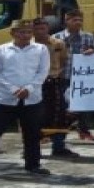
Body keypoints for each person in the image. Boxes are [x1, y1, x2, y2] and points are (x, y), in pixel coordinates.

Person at [0, 20, 51, 180]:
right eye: (21, 32)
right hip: (4, 99)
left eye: (28, 32)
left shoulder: (40, 49)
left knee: (32, 134)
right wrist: (13, 89)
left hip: (31, 99)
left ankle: (33, 165)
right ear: (13, 33)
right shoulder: (0, 50)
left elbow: (43, 72)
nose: (25, 35)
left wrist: (28, 88)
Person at [51, 10, 94, 141]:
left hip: (83, 77)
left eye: (80, 20)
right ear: (66, 21)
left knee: (84, 105)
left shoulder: (88, 37)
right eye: (74, 20)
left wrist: (91, 52)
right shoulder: (56, 38)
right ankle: (60, 137)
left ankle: (84, 131)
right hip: (63, 76)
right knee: (63, 107)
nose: (78, 23)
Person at [32, 19, 75, 158]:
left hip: (55, 82)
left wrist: (56, 74)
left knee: (59, 113)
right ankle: (32, 147)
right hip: (35, 84)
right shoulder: (29, 45)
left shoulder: (58, 43)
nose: (40, 31)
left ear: (48, 28)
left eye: (43, 28)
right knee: (34, 115)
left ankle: (58, 146)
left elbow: (63, 59)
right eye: (37, 29)